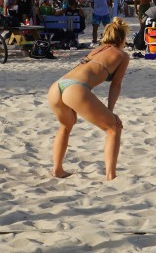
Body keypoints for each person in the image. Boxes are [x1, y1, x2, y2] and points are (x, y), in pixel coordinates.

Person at [46, 17, 129, 180]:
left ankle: (57, 170)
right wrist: (110, 112)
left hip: (57, 86)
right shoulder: (122, 55)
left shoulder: (97, 50)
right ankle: (111, 176)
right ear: (122, 38)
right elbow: (116, 85)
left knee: (65, 126)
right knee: (113, 128)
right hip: (75, 88)